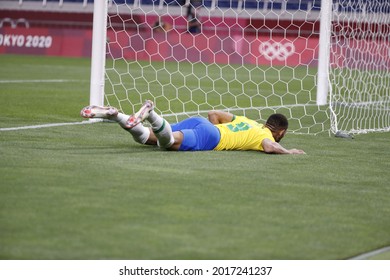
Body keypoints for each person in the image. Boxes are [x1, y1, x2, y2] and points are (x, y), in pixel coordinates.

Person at [80, 100, 305, 154]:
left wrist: (210, 127)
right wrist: (288, 151)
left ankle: (115, 114)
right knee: (167, 143)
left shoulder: (248, 121)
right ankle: (150, 113)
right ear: (281, 132)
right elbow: (268, 146)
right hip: (211, 137)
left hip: (201, 123)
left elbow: (213, 113)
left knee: (149, 139)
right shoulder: (263, 136)